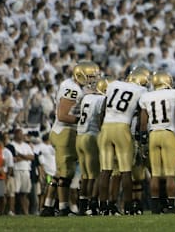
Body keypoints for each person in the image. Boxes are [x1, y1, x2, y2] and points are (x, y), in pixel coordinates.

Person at [41, 61, 98, 217]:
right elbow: (63, 115)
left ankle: (48, 206)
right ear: (80, 75)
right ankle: (63, 207)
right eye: (90, 76)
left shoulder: (71, 84)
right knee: (67, 173)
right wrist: (83, 120)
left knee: (59, 173)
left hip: (63, 131)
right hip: (65, 131)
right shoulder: (72, 89)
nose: (92, 80)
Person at [98, 67, 148, 216]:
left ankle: (103, 207)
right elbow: (141, 117)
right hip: (122, 127)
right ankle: (128, 206)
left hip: (106, 126)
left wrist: (103, 127)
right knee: (126, 171)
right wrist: (140, 136)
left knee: (106, 171)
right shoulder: (142, 91)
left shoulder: (114, 84)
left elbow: (103, 109)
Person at [138, 71, 175, 214]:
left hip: (153, 134)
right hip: (168, 134)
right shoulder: (174, 93)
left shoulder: (146, 96)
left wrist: (143, 139)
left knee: (155, 174)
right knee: (170, 174)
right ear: (167, 81)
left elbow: (143, 122)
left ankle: (155, 207)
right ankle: (171, 206)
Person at [75, 77, 106, 215]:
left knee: (85, 175)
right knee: (95, 174)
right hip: (91, 136)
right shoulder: (100, 99)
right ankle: (92, 206)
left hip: (79, 135)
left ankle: (82, 205)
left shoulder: (86, 98)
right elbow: (100, 117)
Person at [11, 128, 35, 215]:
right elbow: (14, 159)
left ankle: (25, 212)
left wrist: (21, 156)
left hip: (26, 170)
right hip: (16, 170)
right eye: (19, 134)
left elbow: (32, 157)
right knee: (15, 192)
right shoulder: (11, 145)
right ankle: (13, 211)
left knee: (25, 193)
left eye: (22, 134)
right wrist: (25, 157)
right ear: (15, 135)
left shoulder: (26, 145)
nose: (21, 136)